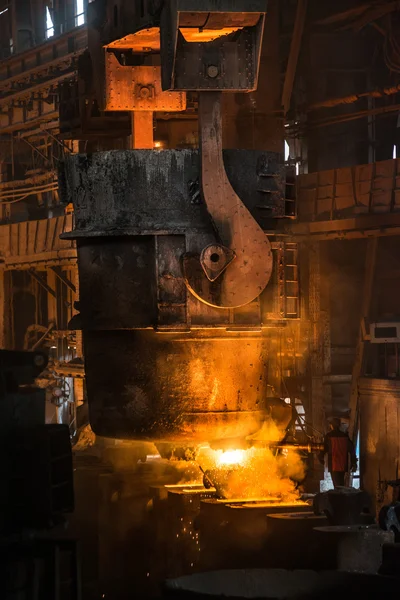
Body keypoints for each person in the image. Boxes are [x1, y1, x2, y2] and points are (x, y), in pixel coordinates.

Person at [320, 418, 357, 488]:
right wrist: (353, 462)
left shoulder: (328, 436)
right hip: (343, 464)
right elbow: (351, 449)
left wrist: (320, 458)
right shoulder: (345, 436)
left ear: (331, 426)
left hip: (334, 464)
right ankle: (341, 497)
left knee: (337, 485)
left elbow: (324, 448)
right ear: (339, 425)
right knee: (341, 483)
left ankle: (339, 498)